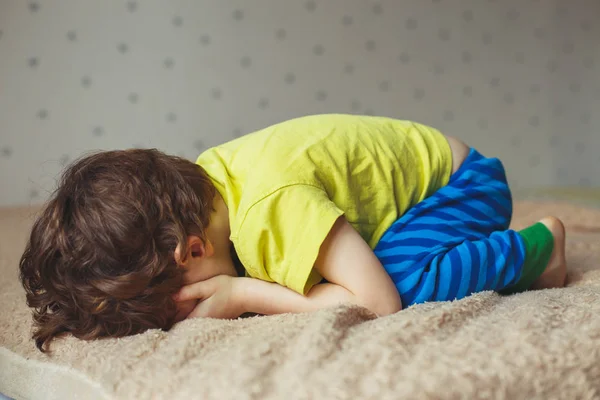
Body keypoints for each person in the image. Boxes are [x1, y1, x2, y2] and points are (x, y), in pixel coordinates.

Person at [19, 114, 567, 353]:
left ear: (192, 251)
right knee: (344, 271)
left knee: (401, 281)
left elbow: (379, 304)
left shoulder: (266, 212)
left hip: (461, 185)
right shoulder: (208, 188)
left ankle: (538, 249)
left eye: (178, 306)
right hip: (421, 179)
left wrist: (245, 293)